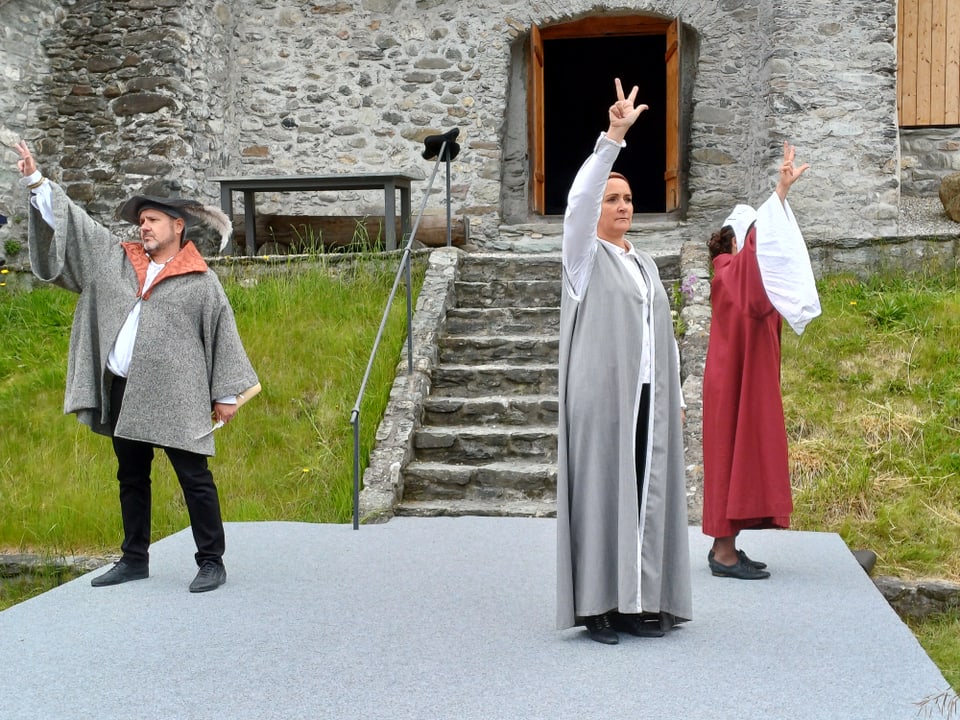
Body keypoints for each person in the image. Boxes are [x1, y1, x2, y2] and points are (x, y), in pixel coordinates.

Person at [13, 140, 259, 593]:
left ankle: (211, 561)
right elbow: (75, 224)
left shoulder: (201, 281)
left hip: (178, 395)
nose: (143, 227)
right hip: (123, 388)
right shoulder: (116, 259)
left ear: (177, 225)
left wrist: (226, 395)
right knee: (130, 474)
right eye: (141, 221)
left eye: (151, 220)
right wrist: (35, 180)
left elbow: (222, 334)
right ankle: (134, 559)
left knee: (193, 477)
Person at [556, 79, 692, 645]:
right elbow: (578, 202)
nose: (622, 206)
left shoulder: (647, 265)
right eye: (614, 199)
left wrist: (677, 396)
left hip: (647, 395)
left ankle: (639, 600)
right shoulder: (583, 257)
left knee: (644, 491)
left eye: (629, 199)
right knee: (601, 493)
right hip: (599, 395)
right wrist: (613, 138)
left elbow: (665, 335)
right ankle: (597, 607)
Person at [701, 141, 821, 579]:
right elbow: (757, 271)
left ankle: (729, 547)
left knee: (744, 454)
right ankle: (723, 553)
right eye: (753, 237)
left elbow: (774, 278)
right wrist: (780, 194)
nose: (760, 245)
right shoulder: (729, 270)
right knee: (728, 455)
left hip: (746, 378)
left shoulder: (752, 274)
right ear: (738, 240)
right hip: (732, 381)